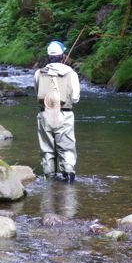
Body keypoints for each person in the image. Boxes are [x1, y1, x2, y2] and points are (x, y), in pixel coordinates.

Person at [34, 40, 81, 182]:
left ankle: (49, 177)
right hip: (65, 114)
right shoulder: (71, 74)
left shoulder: (38, 73)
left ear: (48, 56)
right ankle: (68, 174)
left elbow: (38, 92)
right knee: (66, 146)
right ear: (63, 56)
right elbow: (75, 98)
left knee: (47, 147)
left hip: (45, 113)